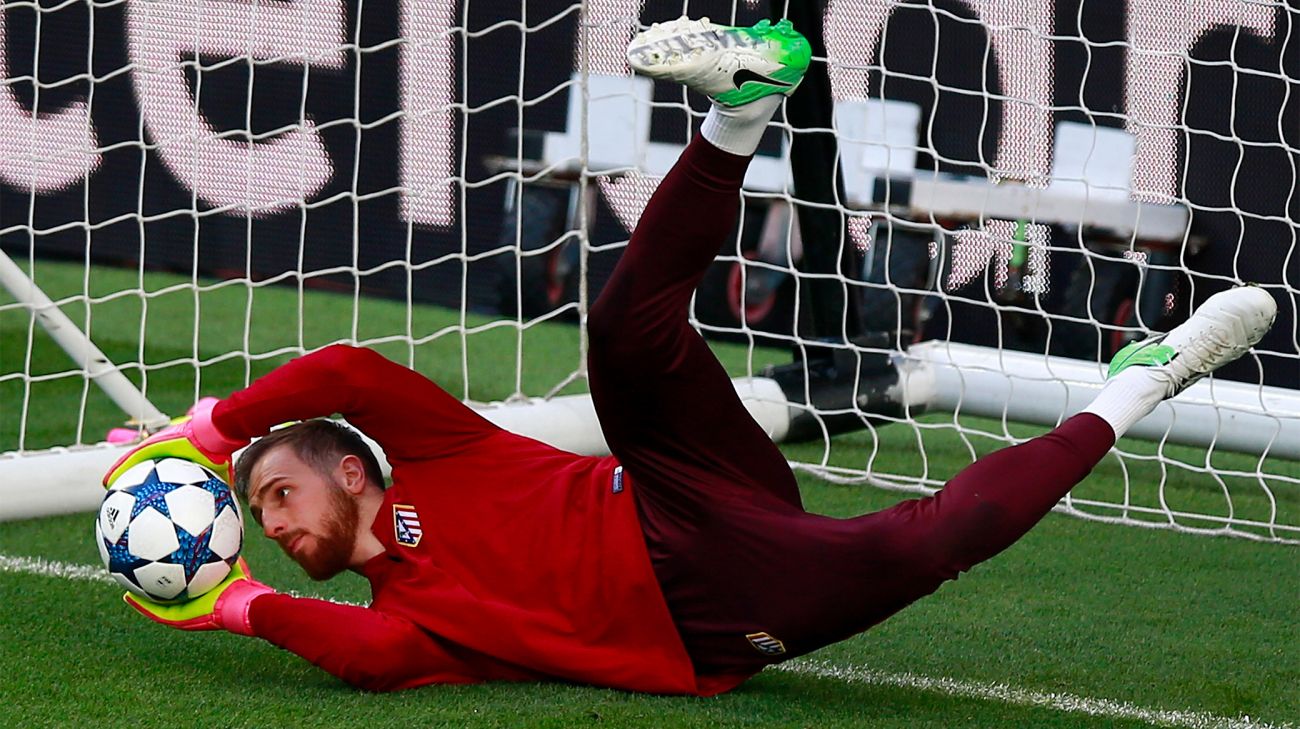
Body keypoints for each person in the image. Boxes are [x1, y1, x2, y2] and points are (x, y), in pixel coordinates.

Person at [104, 16, 1277, 695]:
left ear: (351, 471)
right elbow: (364, 655)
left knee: (620, 331)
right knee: (927, 541)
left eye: (277, 493)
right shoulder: (420, 615)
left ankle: (742, 107)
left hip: (675, 484)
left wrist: (206, 433)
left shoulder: (430, 450)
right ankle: (1137, 384)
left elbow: (349, 371)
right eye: (257, 512)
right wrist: (236, 602)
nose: (271, 519)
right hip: (714, 615)